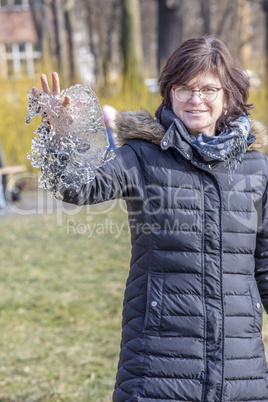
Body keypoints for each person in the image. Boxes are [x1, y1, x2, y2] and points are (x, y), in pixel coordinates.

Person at [38, 36, 268, 401]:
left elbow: (265, 263)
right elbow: (79, 188)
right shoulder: (142, 156)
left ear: (229, 94)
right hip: (157, 364)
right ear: (168, 93)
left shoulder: (256, 166)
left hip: (240, 369)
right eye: (184, 88)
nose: (196, 100)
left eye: (209, 89)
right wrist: (62, 135)